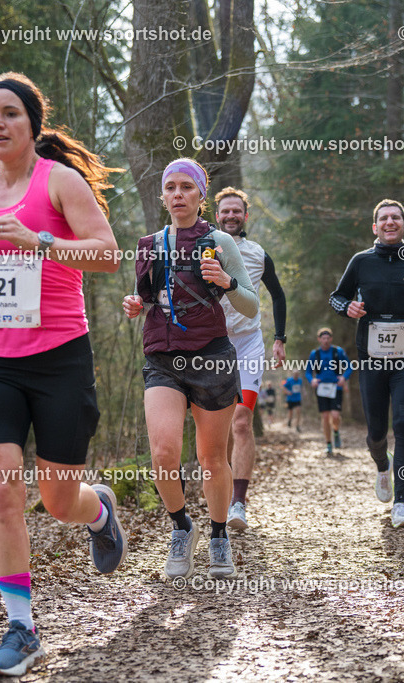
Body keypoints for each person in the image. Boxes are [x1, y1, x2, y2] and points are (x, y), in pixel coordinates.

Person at [0, 72, 127, 677]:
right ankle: (20, 627)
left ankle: (98, 510)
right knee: (2, 488)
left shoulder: (60, 182)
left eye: (10, 114)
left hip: (59, 360)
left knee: (57, 499)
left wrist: (39, 239)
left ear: (33, 124)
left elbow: (107, 252)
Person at [122, 159, 258, 580]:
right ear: (162, 196)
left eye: (186, 187)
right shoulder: (149, 244)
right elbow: (145, 297)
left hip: (211, 356)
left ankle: (219, 536)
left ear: (201, 195)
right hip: (162, 357)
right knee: (163, 453)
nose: (177, 193)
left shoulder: (219, 241)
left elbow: (251, 307)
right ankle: (182, 528)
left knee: (211, 457)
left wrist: (228, 281)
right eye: (170, 187)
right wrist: (134, 304)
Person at [329, 198, 404, 528]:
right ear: (375, 227)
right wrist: (347, 308)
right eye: (383, 218)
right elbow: (337, 297)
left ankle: (401, 503)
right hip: (372, 360)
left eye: (396, 218)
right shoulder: (361, 261)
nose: (390, 222)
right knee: (376, 432)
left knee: (403, 422)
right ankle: (381, 465)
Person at [213, 187, 287, 531]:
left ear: (245, 216)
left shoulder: (258, 253)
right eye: (225, 211)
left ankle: (238, 504)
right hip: (210, 347)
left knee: (241, 422)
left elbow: (278, 295)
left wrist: (279, 339)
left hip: (248, 346)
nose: (231, 216)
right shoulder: (204, 246)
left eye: (237, 211)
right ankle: (220, 496)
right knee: (218, 426)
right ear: (216, 215)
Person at [305, 328, 352, 454]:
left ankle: (336, 431)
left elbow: (349, 367)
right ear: (319, 339)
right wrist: (312, 380)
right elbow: (308, 371)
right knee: (325, 416)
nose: (325, 341)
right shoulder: (315, 354)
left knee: (335, 416)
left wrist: (344, 377)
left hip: (336, 387)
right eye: (323, 338)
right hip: (321, 388)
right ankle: (328, 443)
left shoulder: (338, 352)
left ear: (331, 339)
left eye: (327, 338)